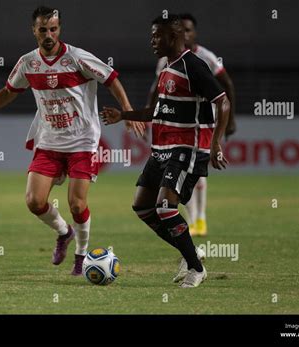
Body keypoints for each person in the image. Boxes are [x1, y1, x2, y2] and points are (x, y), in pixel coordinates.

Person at [0, 6, 145, 275]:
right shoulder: (28, 63)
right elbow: (8, 92)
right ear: (33, 30)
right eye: (43, 29)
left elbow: (111, 78)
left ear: (59, 29)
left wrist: (127, 112)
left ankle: (82, 256)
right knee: (34, 202)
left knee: (76, 204)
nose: (49, 34)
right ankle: (64, 232)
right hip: (48, 141)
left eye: (53, 29)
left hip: (82, 141)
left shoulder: (77, 58)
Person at [100, 14, 230, 288]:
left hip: (187, 148)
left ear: (174, 36)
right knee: (142, 207)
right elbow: (156, 111)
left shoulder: (193, 66)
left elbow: (223, 102)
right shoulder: (165, 69)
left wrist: (216, 142)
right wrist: (123, 115)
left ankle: (196, 268)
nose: (152, 41)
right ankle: (190, 253)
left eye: (157, 36)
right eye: (151, 36)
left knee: (165, 207)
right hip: (161, 149)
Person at [146, 13, 236, 237]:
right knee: (178, 177)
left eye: (188, 31)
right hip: (176, 127)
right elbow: (156, 90)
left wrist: (230, 119)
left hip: (203, 122)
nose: (184, 34)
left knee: (196, 174)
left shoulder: (205, 57)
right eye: (182, 30)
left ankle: (200, 218)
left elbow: (226, 86)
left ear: (194, 33)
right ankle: (193, 221)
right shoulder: (165, 59)